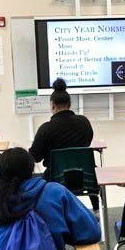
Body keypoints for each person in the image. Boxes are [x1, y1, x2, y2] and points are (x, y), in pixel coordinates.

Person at [28, 78, 98, 213]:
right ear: (70, 104)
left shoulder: (46, 128)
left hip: (55, 180)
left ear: (52, 104)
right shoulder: (84, 122)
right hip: (85, 178)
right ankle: (97, 209)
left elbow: (35, 157)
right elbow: (87, 143)